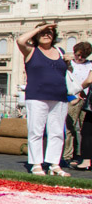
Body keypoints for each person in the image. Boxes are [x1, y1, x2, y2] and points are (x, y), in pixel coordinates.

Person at [17, 23, 71, 176]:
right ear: (36, 35)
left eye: (49, 32)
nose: (46, 35)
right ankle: (36, 164)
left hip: (59, 96)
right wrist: (40, 27)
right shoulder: (31, 51)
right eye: (43, 32)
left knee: (57, 132)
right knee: (36, 131)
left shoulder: (60, 52)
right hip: (37, 96)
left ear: (54, 36)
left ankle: (54, 164)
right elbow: (20, 40)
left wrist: (68, 63)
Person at [65, 41, 92, 167]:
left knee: (85, 129)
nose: (80, 58)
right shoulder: (70, 64)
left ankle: (84, 156)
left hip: (87, 99)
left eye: (83, 56)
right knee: (70, 128)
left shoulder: (90, 65)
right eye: (78, 55)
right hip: (74, 98)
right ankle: (70, 155)